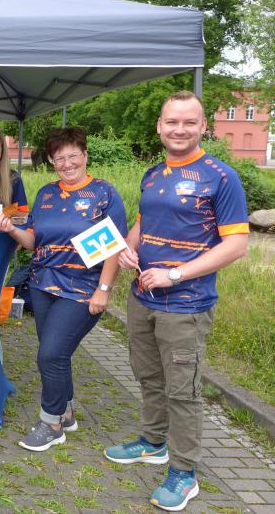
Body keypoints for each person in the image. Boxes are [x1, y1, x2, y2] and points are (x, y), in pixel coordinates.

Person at [104, 91, 249, 512]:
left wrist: (176, 274)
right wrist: (127, 248)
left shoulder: (221, 177)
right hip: (142, 297)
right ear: (159, 126)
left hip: (186, 305)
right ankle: (153, 442)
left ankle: (184, 472)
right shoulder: (153, 174)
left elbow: (237, 245)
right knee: (149, 376)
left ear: (203, 126)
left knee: (183, 391)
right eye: (171, 122)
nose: (179, 129)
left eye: (189, 122)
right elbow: (144, 222)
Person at [0, 127, 127, 452]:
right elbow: (33, 241)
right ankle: (66, 412)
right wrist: (11, 229)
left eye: (73, 156)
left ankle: (51, 423)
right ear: (52, 161)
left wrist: (104, 290)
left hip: (83, 288)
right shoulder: (46, 194)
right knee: (56, 352)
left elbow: (114, 248)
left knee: (51, 353)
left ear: (85, 156)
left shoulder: (104, 193)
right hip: (42, 284)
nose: (67, 164)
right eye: (59, 158)